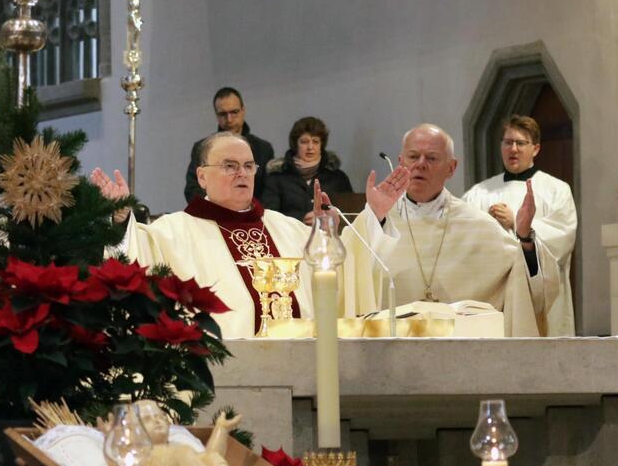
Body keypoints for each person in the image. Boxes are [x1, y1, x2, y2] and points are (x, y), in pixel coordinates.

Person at [92, 130, 409, 338]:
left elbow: (343, 273)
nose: (242, 173)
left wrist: (374, 216)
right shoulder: (170, 233)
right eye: (229, 166)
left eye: (248, 166)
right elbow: (132, 260)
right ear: (202, 176)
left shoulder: (289, 229)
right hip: (223, 380)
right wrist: (121, 218)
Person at [350, 124, 559, 337]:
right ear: (401, 162)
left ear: (451, 168)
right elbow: (349, 268)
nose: (420, 165)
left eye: (431, 158)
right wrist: (374, 217)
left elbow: (525, 278)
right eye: (413, 156)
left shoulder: (477, 225)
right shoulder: (378, 220)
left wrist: (524, 237)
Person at [462, 115, 578, 335]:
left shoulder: (556, 189)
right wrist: (486, 224)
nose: (513, 149)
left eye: (520, 143)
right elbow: (463, 238)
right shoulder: (479, 193)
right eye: (507, 142)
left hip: (539, 295)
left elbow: (563, 237)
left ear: (535, 148)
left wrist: (517, 222)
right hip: (494, 294)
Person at [182, 87, 274, 204]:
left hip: (252, 216)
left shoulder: (263, 148)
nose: (229, 119)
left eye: (234, 112)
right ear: (216, 115)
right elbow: (192, 188)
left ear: (243, 110)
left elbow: (270, 191)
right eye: (223, 114)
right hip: (213, 214)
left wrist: (249, 212)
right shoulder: (202, 147)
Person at [261, 116, 353, 223]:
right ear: (295, 145)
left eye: (315, 142)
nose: (310, 147)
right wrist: (301, 218)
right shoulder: (277, 179)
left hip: (328, 236)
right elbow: (268, 216)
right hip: (291, 237)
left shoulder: (338, 178)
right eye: (304, 142)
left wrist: (328, 219)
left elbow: (350, 214)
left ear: (321, 145)